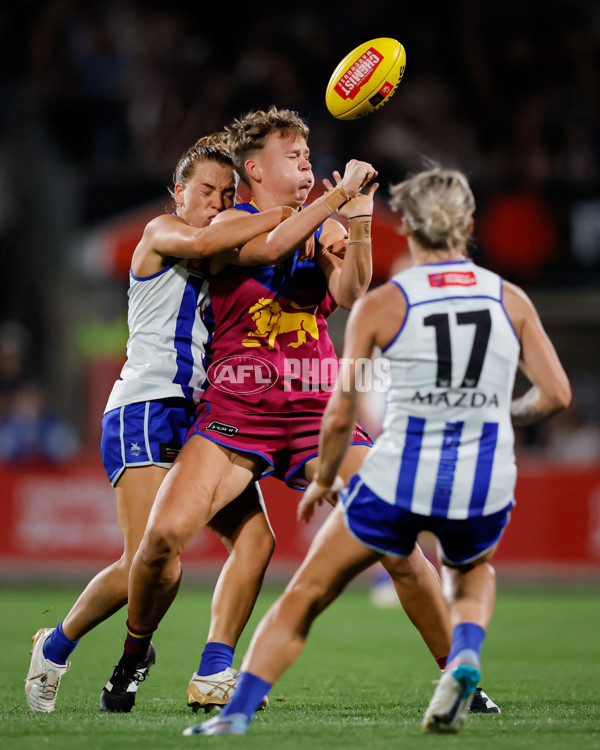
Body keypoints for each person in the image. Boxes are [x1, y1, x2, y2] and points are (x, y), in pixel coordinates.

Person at [101, 107, 496, 716]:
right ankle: (134, 655)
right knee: (159, 544)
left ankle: (461, 681)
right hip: (236, 410)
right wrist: (335, 198)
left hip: (315, 410)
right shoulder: (231, 221)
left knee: (399, 547)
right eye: (296, 156)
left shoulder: (325, 222)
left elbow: (349, 292)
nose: (309, 165)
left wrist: (357, 223)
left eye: (311, 157)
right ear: (254, 169)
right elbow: (267, 249)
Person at [185, 165, 571, 737]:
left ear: (410, 230)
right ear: (468, 224)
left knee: (306, 593)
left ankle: (233, 714)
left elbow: (341, 407)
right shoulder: (508, 296)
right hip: (482, 475)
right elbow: (557, 394)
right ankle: (462, 663)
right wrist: (503, 415)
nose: (306, 164)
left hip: (396, 464)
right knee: (464, 572)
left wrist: (323, 479)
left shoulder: (387, 302)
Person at [24, 134, 296, 713]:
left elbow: (262, 251)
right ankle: (57, 645)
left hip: (202, 416)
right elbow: (204, 237)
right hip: (145, 408)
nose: (216, 204)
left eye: (227, 195)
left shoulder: (222, 250)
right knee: (150, 563)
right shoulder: (163, 233)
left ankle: (214, 672)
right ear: (178, 193)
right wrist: (294, 207)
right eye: (205, 191)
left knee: (256, 541)